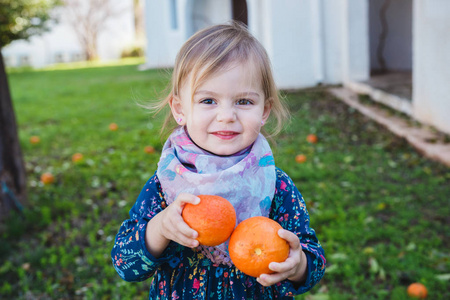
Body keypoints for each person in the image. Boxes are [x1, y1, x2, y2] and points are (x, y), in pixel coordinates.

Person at [111, 21, 326, 299]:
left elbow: (313, 262)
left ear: (264, 110)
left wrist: (297, 265)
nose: (226, 115)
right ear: (180, 109)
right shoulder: (167, 186)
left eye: (244, 102)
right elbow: (124, 264)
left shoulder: (275, 186)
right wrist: (162, 227)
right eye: (208, 101)